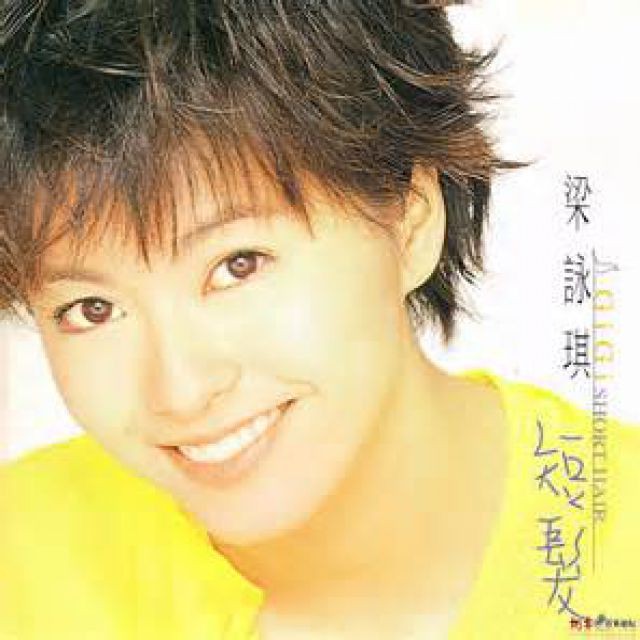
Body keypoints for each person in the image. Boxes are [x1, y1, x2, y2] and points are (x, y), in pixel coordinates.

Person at [1, 1, 638, 638]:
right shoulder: (22, 559)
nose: (181, 392)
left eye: (238, 265)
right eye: (92, 309)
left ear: (410, 220)